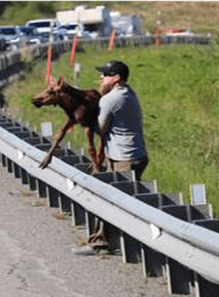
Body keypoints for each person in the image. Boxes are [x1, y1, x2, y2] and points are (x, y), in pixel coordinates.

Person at [73, 60, 149, 255]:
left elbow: (100, 128)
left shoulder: (110, 100)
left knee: (111, 202)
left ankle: (103, 243)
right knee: (113, 200)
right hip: (131, 155)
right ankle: (105, 241)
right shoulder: (127, 92)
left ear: (116, 78)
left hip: (125, 159)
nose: (101, 77)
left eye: (105, 74)